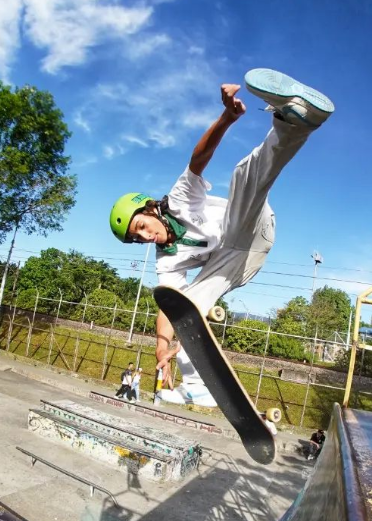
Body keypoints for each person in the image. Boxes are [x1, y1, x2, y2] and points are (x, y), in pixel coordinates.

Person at [109, 68, 334, 407]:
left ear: (149, 209)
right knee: (187, 312)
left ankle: (294, 123)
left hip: (251, 226)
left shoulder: (178, 200)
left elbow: (198, 160)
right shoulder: (166, 259)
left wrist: (227, 118)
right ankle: (199, 386)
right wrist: (160, 344)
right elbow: (168, 305)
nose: (146, 237)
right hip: (236, 265)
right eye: (138, 240)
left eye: (141, 227)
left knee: (242, 177)